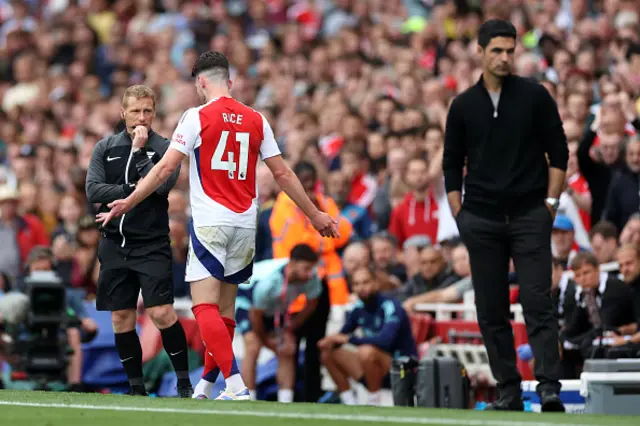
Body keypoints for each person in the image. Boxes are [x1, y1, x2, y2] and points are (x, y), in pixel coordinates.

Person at [96, 51, 339, 401]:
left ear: (201, 82)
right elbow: (282, 172)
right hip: (245, 224)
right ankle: (207, 387)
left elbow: (165, 169)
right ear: (231, 81)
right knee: (225, 314)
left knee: (203, 308)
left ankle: (237, 384)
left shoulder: (196, 116)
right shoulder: (257, 119)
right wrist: (315, 214)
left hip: (211, 223)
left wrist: (128, 201)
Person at [442, 20, 568, 411]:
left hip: (530, 214)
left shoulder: (535, 96)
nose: (505, 57)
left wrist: (550, 205)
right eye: (496, 50)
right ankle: (509, 392)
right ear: (479, 51)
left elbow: (559, 153)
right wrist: (460, 214)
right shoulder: (463, 105)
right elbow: (451, 165)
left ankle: (548, 388)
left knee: (537, 301)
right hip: (481, 220)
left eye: (510, 50)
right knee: (491, 308)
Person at [85, 85, 191, 397]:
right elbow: (93, 191)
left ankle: (183, 381)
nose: (141, 118)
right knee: (121, 317)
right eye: (135, 111)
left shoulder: (164, 148)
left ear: (154, 113)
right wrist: (132, 189)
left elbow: (162, 186)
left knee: (161, 313)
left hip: (152, 243)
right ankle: (136, 387)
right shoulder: (105, 147)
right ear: (123, 113)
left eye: (147, 111)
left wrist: (142, 154)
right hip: (115, 243)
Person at [318, 266, 417, 406]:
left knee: (366, 351)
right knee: (328, 352)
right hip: (374, 369)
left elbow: (385, 341)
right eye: (357, 284)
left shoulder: (391, 306)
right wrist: (329, 341)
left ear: (375, 283)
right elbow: (342, 335)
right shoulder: (357, 309)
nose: (361, 288)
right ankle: (349, 402)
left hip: (401, 367)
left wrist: (348, 339)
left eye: (365, 282)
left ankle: (373, 402)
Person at [245, 243, 322, 403]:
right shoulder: (269, 282)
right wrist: (266, 340)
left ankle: (285, 400)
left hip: (274, 308)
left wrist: (291, 326)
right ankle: (248, 398)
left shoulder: (312, 277)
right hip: (247, 302)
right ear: (292, 264)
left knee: (287, 349)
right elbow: (256, 315)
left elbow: (312, 303)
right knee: (253, 346)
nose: (309, 274)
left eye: (311, 268)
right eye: (306, 268)